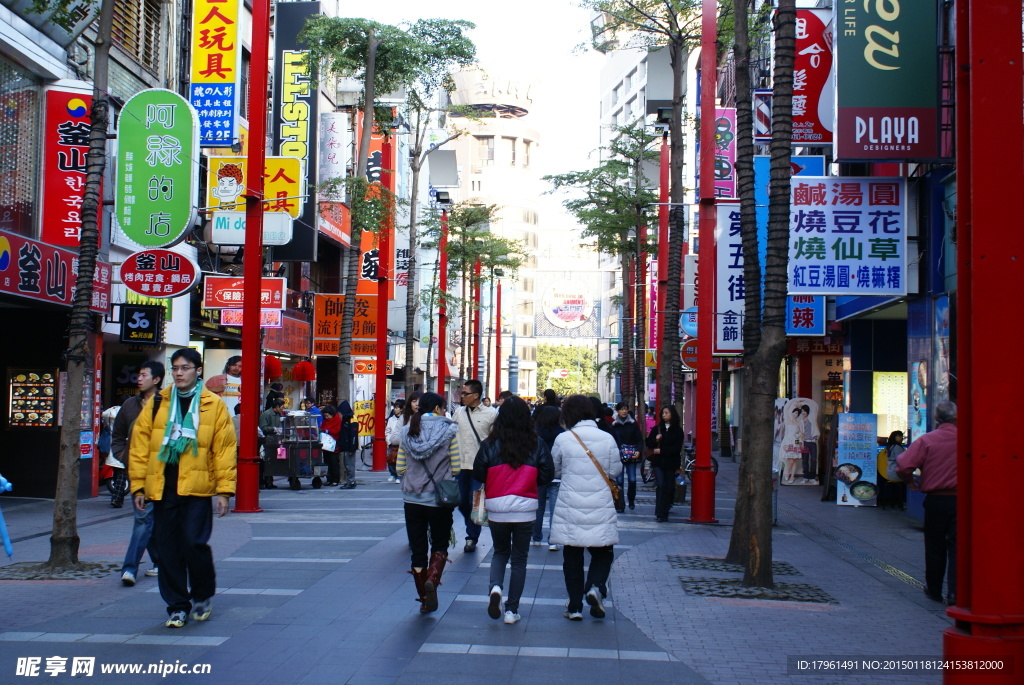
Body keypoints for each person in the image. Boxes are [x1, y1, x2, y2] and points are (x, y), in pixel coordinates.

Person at [128, 348, 236, 629]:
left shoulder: (213, 404)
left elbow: (223, 450)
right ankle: (177, 606)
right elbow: (139, 447)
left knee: (194, 544)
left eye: (185, 367)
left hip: (197, 489)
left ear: (198, 370)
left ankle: (201, 595)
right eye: (175, 367)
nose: (179, 372)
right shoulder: (158, 403)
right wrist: (138, 486)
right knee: (167, 550)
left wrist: (224, 491)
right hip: (163, 488)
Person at [473, 396, 554, 624]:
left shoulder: (489, 444)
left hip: (497, 506)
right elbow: (548, 473)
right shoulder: (536, 443)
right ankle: (511, 610)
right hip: (525, 507)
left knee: (500, 552)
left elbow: (478, 473)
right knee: (519, 559)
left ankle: (495, 588)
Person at [550, 395, 621, 620]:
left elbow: (554, 470)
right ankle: (596, 587)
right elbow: (615, 471)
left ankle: (574, 607)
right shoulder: (607, 438)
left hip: (570, 503)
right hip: (599, 503)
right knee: (603, 552)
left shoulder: (563, 439)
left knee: (572, 556)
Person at [397, 392, 460, 613]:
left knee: (417, 549)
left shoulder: (407, 431)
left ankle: (424, 598)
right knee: (440, 543)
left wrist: (412, 476)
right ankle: (433, 579)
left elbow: (399, 468)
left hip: (412, 499)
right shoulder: (449, 430)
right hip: (438, 499)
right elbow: (457, 466)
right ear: (437, 408)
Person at [897, 401, 958, 605]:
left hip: (936, 500)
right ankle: (955, 593)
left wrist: (911, 483)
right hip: (962, 501)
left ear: (936, 418)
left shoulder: (927, 441)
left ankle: (934, 590)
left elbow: (904, 466)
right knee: (958, 547)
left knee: (935, 545)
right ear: (956, 417)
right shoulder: (967, 439)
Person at [114, 360, 164, 585]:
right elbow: (117, 435)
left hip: (162, 471)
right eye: (139, 374)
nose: (139, 378)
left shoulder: (167, 404)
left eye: (144, 375)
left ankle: (159, 562)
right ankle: (130, 568)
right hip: (137, 471)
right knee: (144, 518)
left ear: (156, 380)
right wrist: (124, 456)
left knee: (148, 520)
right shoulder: (129, 405)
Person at [452, 379, 496, 553]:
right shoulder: (458, 412)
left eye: (465, 393)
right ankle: (472, 528)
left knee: (474, 501)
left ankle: (472, 536)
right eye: (461, 393)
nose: (462, 396)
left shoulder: (491, 414)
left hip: (479, 466)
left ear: (476, 395)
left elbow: (494, 441)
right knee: (462, 502)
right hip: (460, 464)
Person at [532, 402, 564, 551]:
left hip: (538, 474)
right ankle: (553, 540)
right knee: (554, 509)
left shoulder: (535, 432)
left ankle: (536, 537)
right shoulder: (562, 433)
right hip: (556, 474)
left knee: (538, 508)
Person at [645, 405, 684, 522]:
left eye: (666, 413)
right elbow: (648, 443)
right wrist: (656, 439)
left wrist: (662, 451)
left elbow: (676, 448)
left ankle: (665, 512)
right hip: (658, 463)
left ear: (672, 414)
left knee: (668, 487)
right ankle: (659, 512)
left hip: (671, 463)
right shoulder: (657, 428)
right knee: (661, 485)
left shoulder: (677, 431)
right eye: (663, 413)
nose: (664, 415)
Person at [610, 402, 644, 511]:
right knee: (619, 481)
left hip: (631, 455)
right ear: (617, 411)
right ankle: (621, 504)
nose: (624, 411)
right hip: (619, 456)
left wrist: (638, 450)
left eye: (626, 409)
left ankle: (631, 499)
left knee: (632, 479)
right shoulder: (614, 425)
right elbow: (612, 441)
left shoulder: (633, 424)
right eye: (622, 409)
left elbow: (639, 439)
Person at [258, 399, 286, 489]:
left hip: (275, 440)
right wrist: (274, 429)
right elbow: (263, 428)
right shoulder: (266, 414)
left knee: (272, 461)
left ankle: (269, 481)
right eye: (281, 407)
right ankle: (265, 481)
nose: (283, 409)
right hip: (267, 440)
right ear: (277, 407)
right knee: (266, 462)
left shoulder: (278, 414)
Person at [101, 404, 124, 507]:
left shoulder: (109, 412)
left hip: (112, 443)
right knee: (122, 474)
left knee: (116, 472)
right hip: (123, 444)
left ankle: (116, 496)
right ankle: (117, 497)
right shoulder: (126, 413)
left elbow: (103, 415)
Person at [337, 401, 359, 489]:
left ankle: (351, 481)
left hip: (350, 447)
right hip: (345, 445)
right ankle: (349, 481)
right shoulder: (345, 419)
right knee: (347, 464)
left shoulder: (352, 419)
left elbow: (353, 435)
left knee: (350, 465)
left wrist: (352, 449)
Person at [384, 400, 406, 483]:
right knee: (391, 458)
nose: (395, 409)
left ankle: (398, 476)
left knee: (399, 459)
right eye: (394, 408)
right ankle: (392, 474)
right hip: (392, 442)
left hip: (401, 442)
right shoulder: (391, 419)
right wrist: (389, 440)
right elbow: (388, 431)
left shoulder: (404, 419)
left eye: (397, 408)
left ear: (401, 409)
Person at [320, 405, 342, 486]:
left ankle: (335, 479)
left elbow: (337, 431)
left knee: (334, 463)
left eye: (327, 415)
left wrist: (327, 431)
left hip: (334, 445)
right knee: (327, 462)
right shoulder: (325, 421)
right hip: (326, 445)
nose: (326, 417)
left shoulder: (337, 420)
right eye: (325, 416)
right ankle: (329, 479)